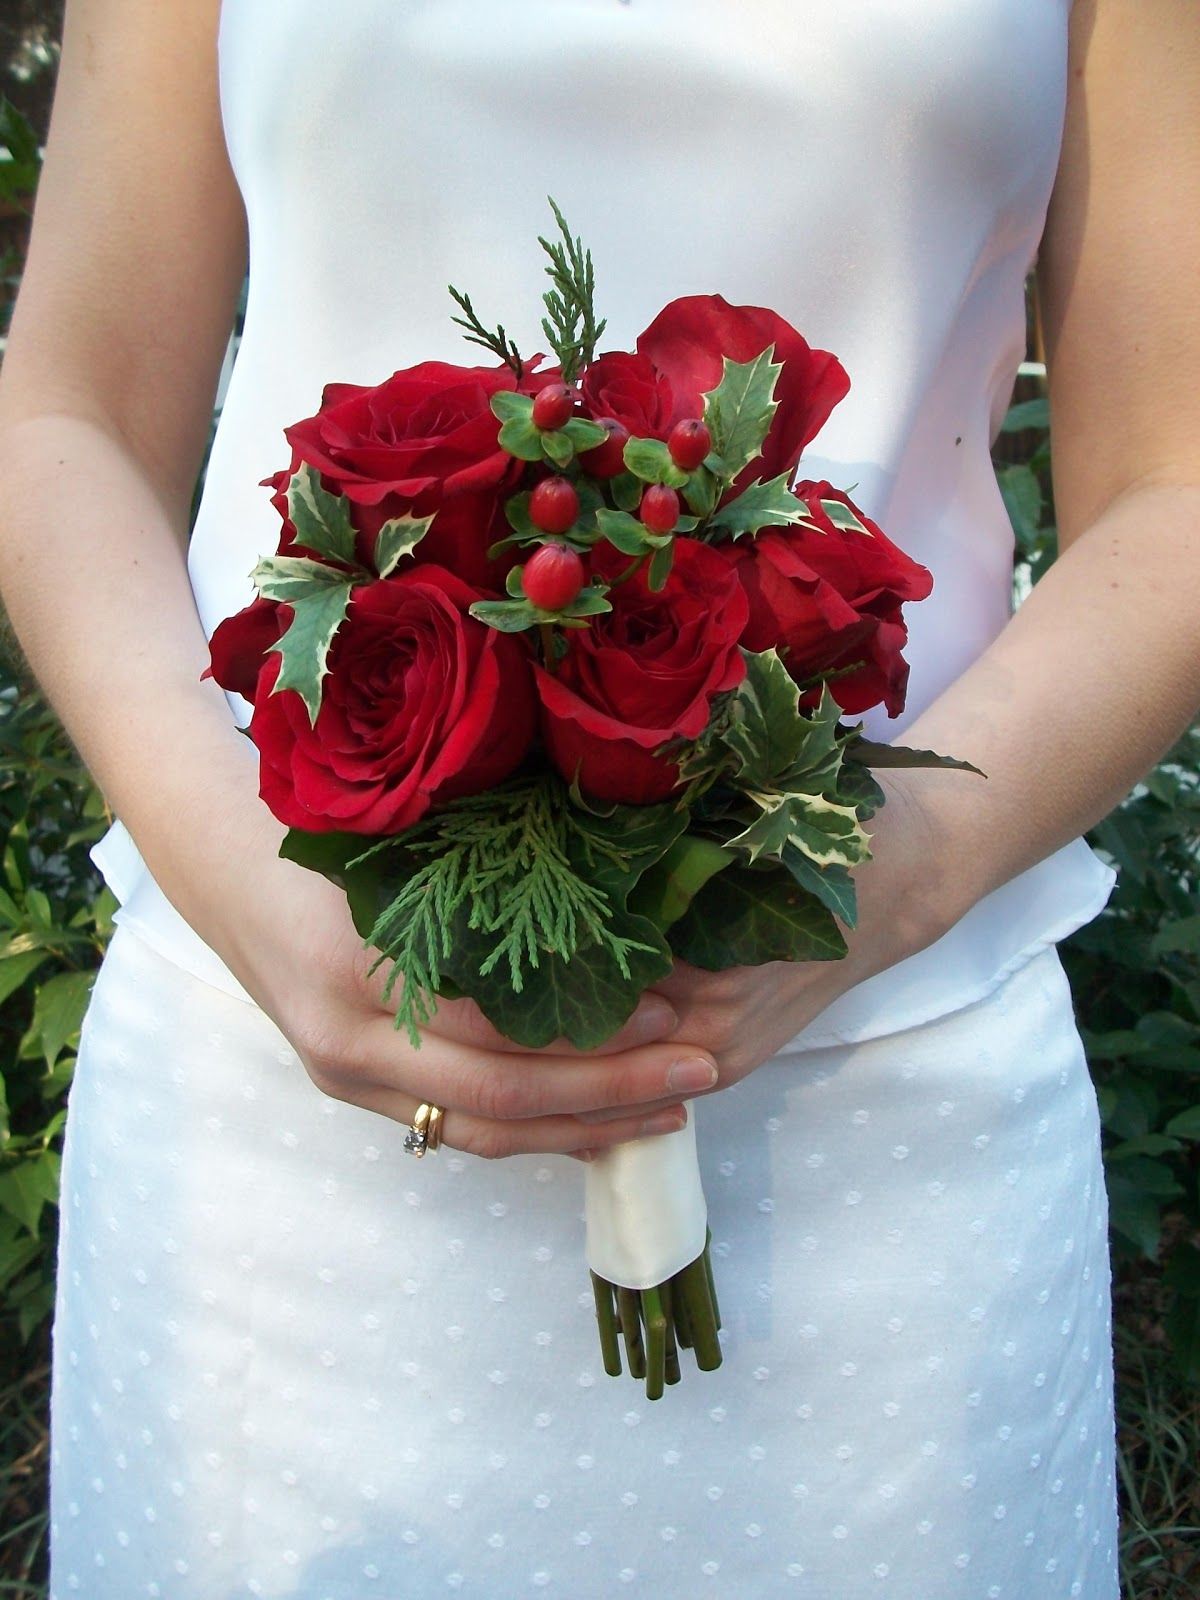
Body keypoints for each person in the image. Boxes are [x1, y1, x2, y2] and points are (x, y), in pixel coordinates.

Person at [1, 1, 1197, 1594]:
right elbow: (65, 404)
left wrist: (886, 880)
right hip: (281, 1130)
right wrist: (244, 882)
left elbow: (1176, 481)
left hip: (885, 1115)